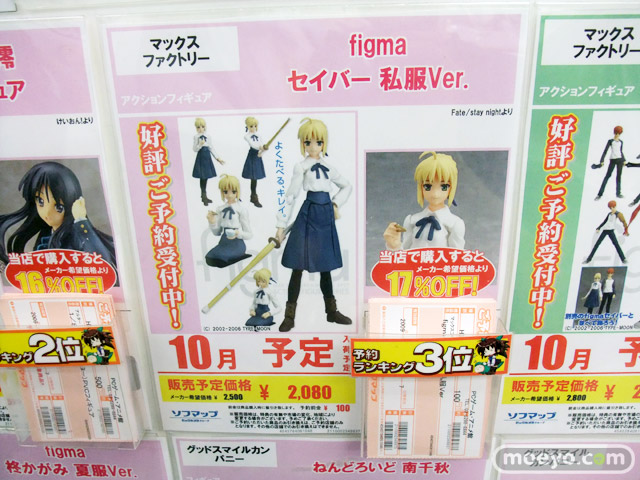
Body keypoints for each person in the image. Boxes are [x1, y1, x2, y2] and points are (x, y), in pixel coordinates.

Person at [275, 118, 352, 332]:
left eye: (318, 142)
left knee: (325, 266)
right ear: (303, 144)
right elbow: (290, 196)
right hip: (308, 216)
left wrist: (336, 203)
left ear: (324, 143)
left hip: (325, 217)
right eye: (307, 142)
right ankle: (289, 316)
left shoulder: (329, 167)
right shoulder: (301, 167)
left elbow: (346, 186)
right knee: (297, 266)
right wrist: (280, 226)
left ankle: (332, 311)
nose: (313, 146)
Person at [0, 162, 116, 268]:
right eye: (40, 201)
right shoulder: (46, 234)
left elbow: (103, 264)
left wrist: (81, 221)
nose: (47, 213)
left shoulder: (77, 235)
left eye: (59, 207)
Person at [383, 151, 464, 250]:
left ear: (451, 188)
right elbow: (405, 252)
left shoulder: (454, 223)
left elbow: (457, 255)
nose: (435, 194)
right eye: (428, 186)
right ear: (421, 187)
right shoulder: (412, 221)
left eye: (444, 187)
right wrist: (394, 246)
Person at [205, 175, 252, 268]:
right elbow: (217, 232)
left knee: (221, 259)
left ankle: (237, 256)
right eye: (225, 192)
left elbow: (249, 234)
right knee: (209, 258)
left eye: (233, 191)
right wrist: (212, 222)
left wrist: (238, 233)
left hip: (237, 243)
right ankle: (231, 258)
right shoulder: (220, 209)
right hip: (224, 242)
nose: (230, 195)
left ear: (237, 191)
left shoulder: (241, 210)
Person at [192, 118, 225, 205]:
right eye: (198, 127)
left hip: (207, 157)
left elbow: (211, 148)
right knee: (202, 177)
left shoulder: (208, 136)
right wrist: (200, 145)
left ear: (205, 127)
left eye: (202, 127)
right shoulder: (196, 137)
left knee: (205, 177)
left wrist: (218, 158)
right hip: (200, 157)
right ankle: (203, 196)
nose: (201, 129)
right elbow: (194, 149)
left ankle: (204, 196)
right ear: (196, 128)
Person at [241, 117, 268, 208]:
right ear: (248, 126)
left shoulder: (258, 135)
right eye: (251, 126)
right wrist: (260, 148)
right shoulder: (247, 136)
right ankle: (254, 196)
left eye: (255, 126)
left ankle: (253, 196)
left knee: (255, 178)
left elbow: (262, 145)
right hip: (252, 156)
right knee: (253, 177)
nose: (253, 128)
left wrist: (262, 152)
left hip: (258, 156)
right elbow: (253, 145)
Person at [595, 126, 626, 200]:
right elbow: (605, 151)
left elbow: (621, 151)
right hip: (612, 160)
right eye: (616, 133)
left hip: (620, 160)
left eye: (619, 134)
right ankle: (599, 194)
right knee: (607, 176)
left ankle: (618, 193)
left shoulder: (621, 142)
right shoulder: (610, 141)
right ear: (614, 133)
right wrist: (602, 160)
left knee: (619, 176)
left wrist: (624, 160)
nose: (617, 135)